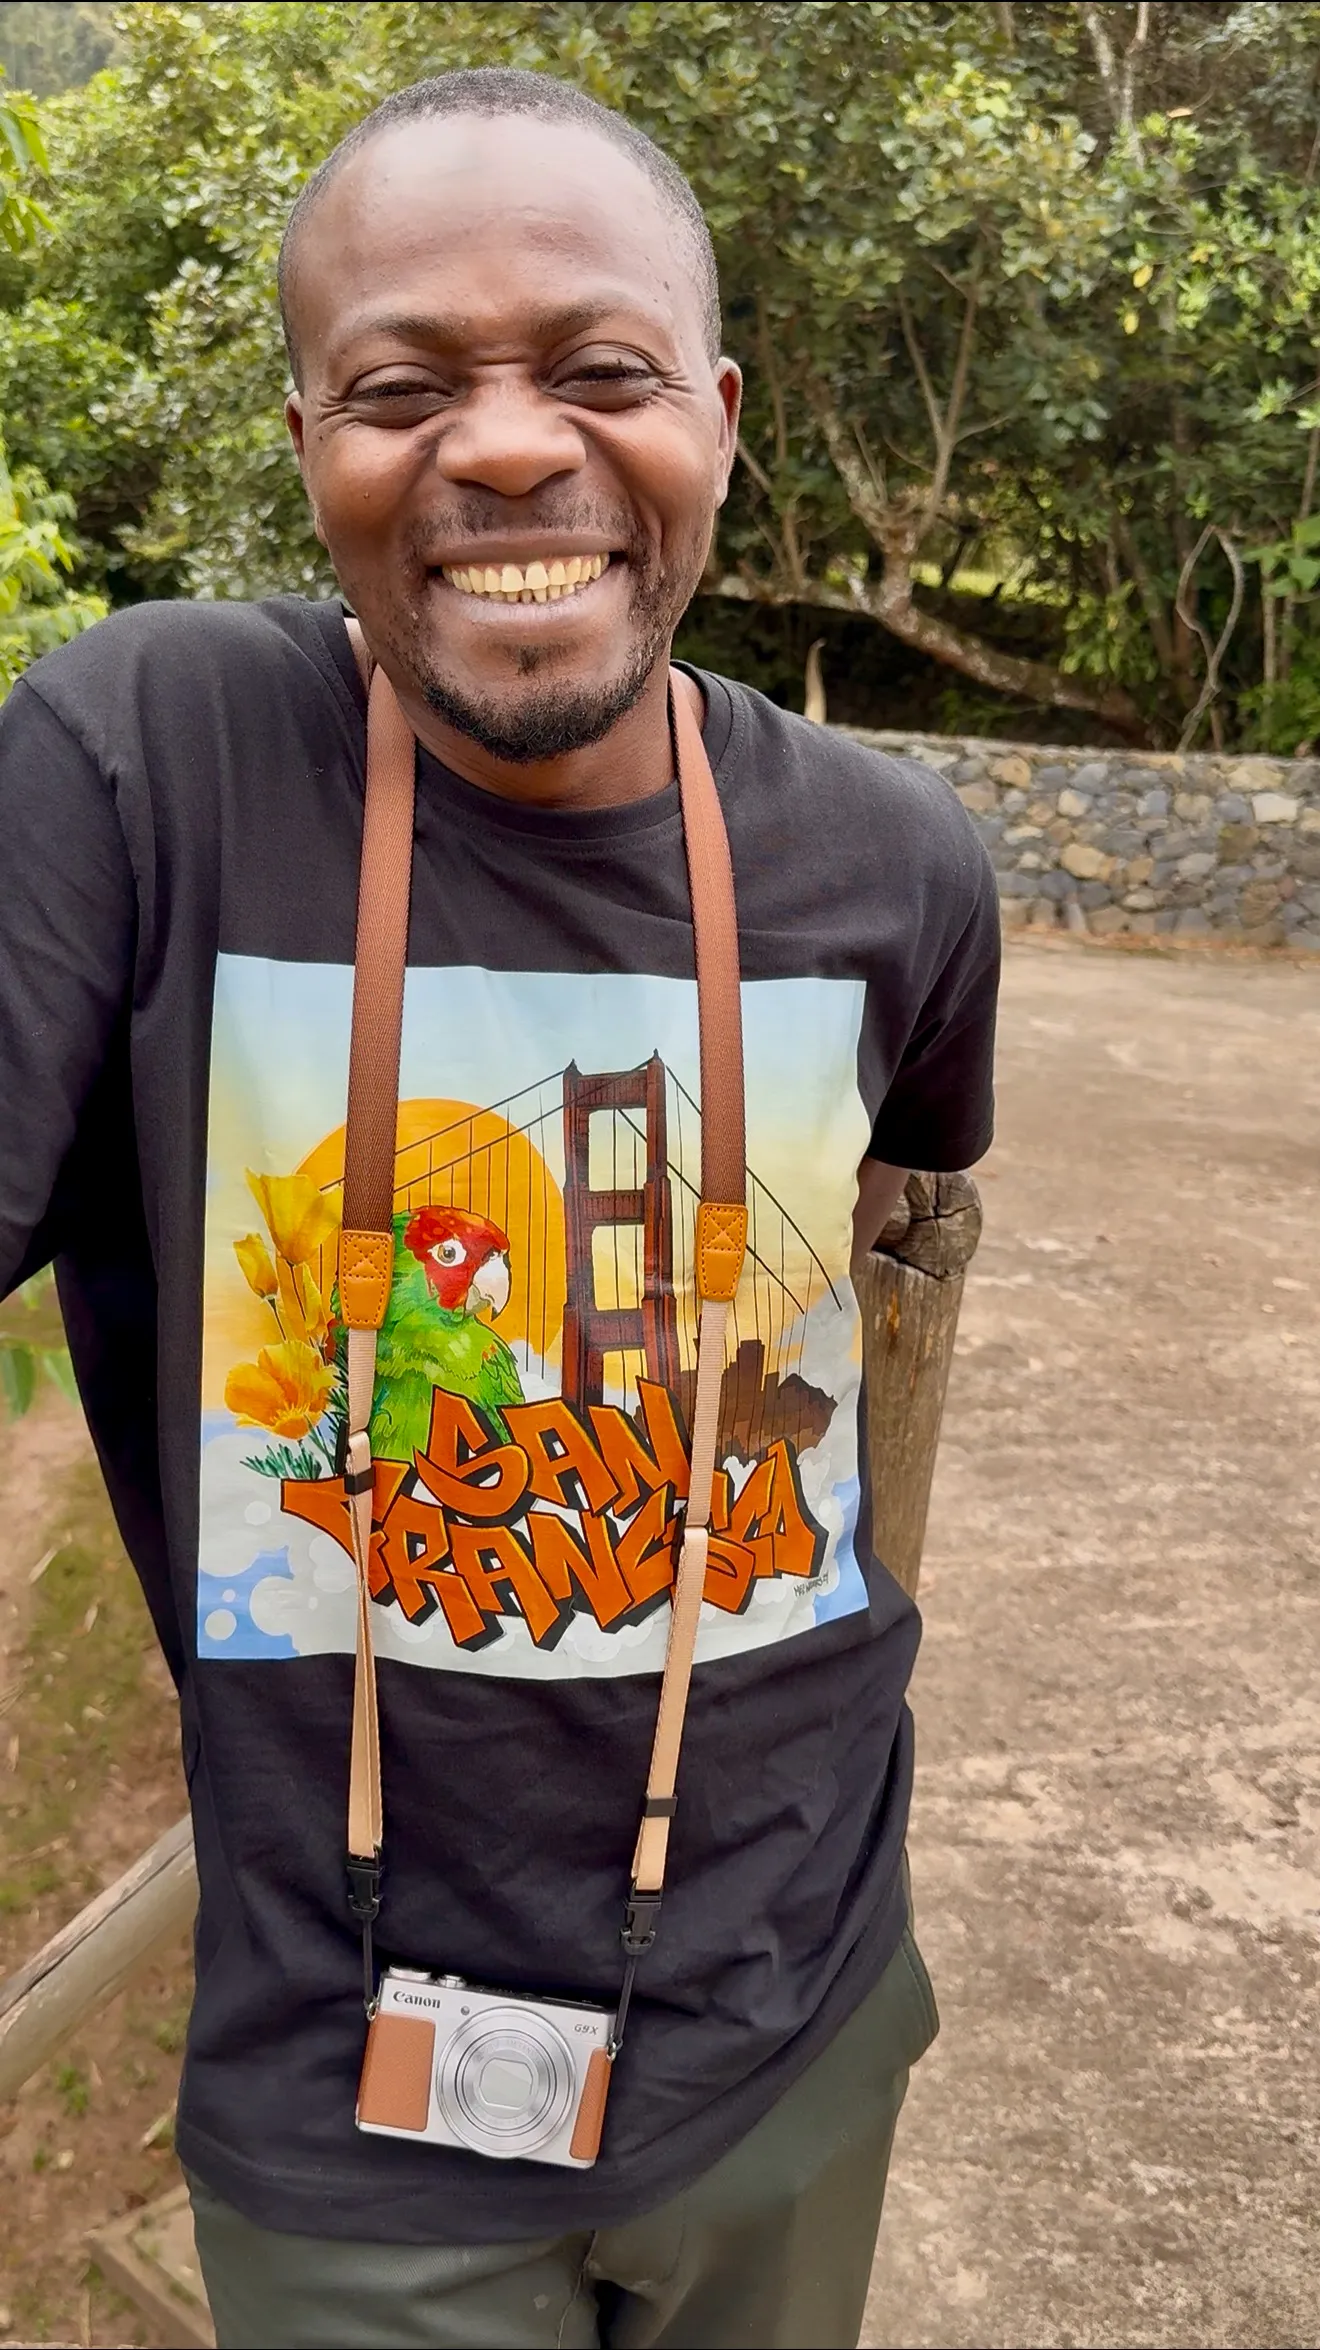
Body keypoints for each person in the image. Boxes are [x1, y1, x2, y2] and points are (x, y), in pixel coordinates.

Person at [0, 67, 998, 2350]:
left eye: (601, 369)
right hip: (351, 2102)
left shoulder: (896, 862)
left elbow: (900, 1232)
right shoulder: (146, 766)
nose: (511, 446)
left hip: (792, 2016)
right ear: (310, 447)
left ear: (717, 419)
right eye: (403, 387)